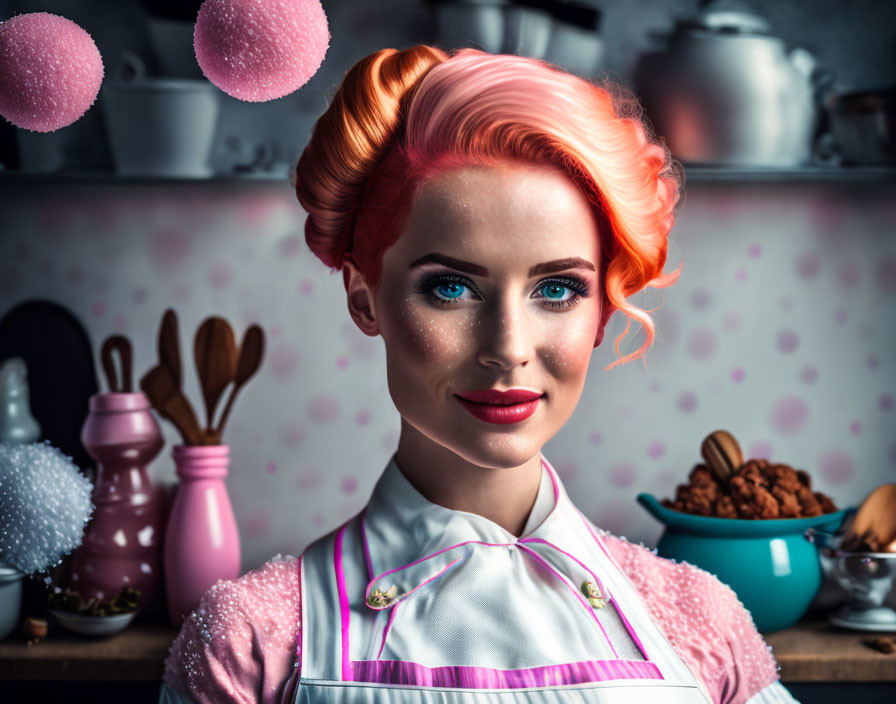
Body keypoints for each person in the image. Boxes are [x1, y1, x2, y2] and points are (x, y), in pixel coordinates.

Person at [160, 45, 799, 704]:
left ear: (603, 309)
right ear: (364, 297)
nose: (509, 349)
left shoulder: (701, 624)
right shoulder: (253, 642)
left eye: (556, 290)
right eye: (451, 288)